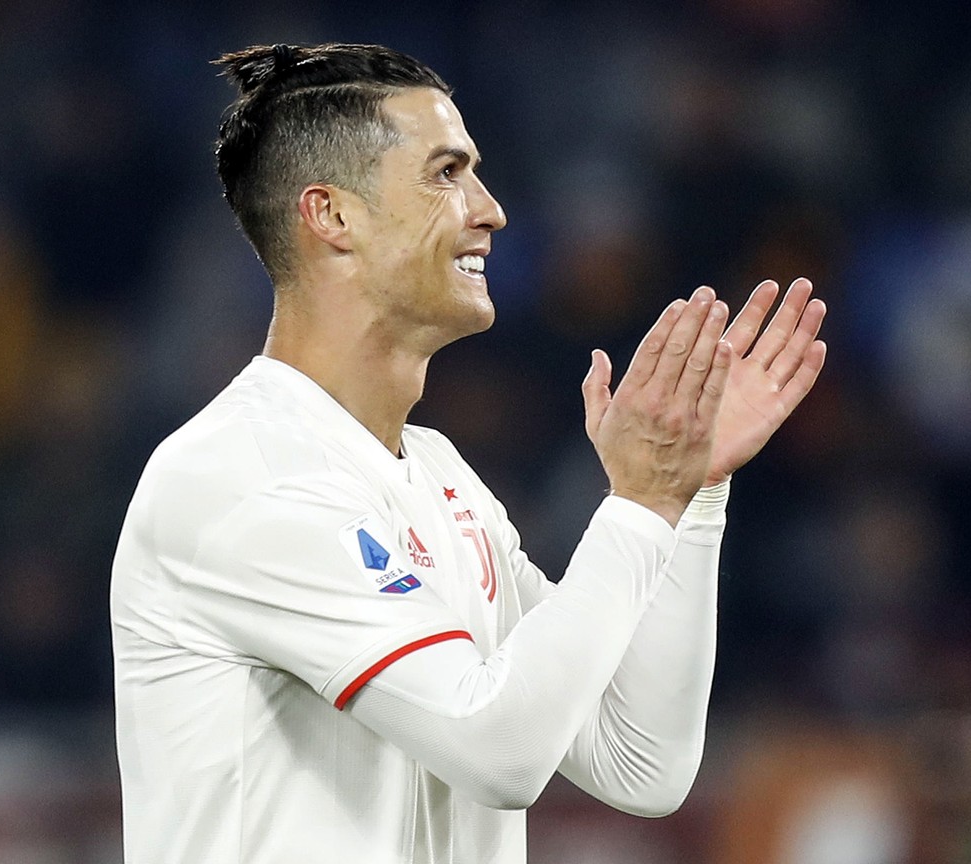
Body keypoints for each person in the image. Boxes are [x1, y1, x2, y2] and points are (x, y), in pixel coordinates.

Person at [110, 42, 827, 864]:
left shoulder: (442, 476)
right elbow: (500, 751)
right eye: (447, 173)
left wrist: (689, 496)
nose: (490, 210)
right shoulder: (239, 476)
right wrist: (637, 504)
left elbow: (642, 762)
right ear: (331, 214)